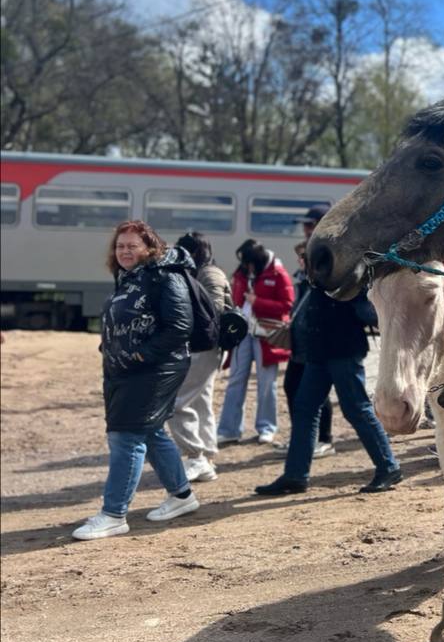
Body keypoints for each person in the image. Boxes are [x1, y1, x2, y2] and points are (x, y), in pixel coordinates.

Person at [73, 221, 200, 540]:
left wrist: (140, 355)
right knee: (151, 431)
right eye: (120, 246)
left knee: (126, 435)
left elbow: (180, 326)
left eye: (132, 245)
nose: (124, 251)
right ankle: (182, 496)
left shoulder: (165, 275)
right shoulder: (129, 277)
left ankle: (114, 514)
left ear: (150, 247)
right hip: (125, 369)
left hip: (156, 368)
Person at [254, 283, 402, 496]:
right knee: (305, 408)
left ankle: (389, 467)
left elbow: (368, 313)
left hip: (343, 351)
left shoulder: (347, 275)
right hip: (319, 353)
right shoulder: (319, 276)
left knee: (356, 409)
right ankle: (295, 475)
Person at [167, 232, 231, 483]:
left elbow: (214, 310)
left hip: (205, 346)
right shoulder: (203, 271)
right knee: (201, 401)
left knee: (177, 402)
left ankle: (195, 455)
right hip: (204, 346)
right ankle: (206, 457)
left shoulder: (209, 274)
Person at [217, 238, 293, 445]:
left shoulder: (278, 273)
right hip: (243, 332)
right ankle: (229, 429)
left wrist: (258, 302)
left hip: (266, 334)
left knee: (266, 383)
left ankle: (266, 427)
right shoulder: (242, 273)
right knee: (235, 380)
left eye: (249, 263)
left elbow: (287, 304)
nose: (246, 266)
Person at [280, 206, 334, 458]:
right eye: (305, 226)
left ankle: (324, 439)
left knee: (319, 393)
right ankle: (301, 437)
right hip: (300, 340)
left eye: (310, 225)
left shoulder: (329, 255)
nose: (306, 230)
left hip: (320, 340)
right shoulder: (305, 253)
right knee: (292, 387)